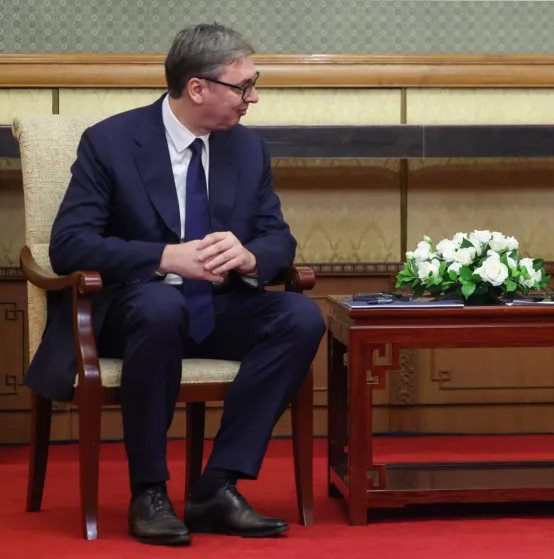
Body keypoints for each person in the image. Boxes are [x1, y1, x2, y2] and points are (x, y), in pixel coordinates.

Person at [24, 23, 327, 545]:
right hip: (135, 312)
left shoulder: (246, 149)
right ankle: (149, 492)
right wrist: (165, 256)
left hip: (218, 307)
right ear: (198, 88)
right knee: (162, 308)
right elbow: (69, 245)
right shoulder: (112, 142)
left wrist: (251, 254)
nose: (253, 97)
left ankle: (218, 484)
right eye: (244, 86)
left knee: (300, 317)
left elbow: (279, 236)